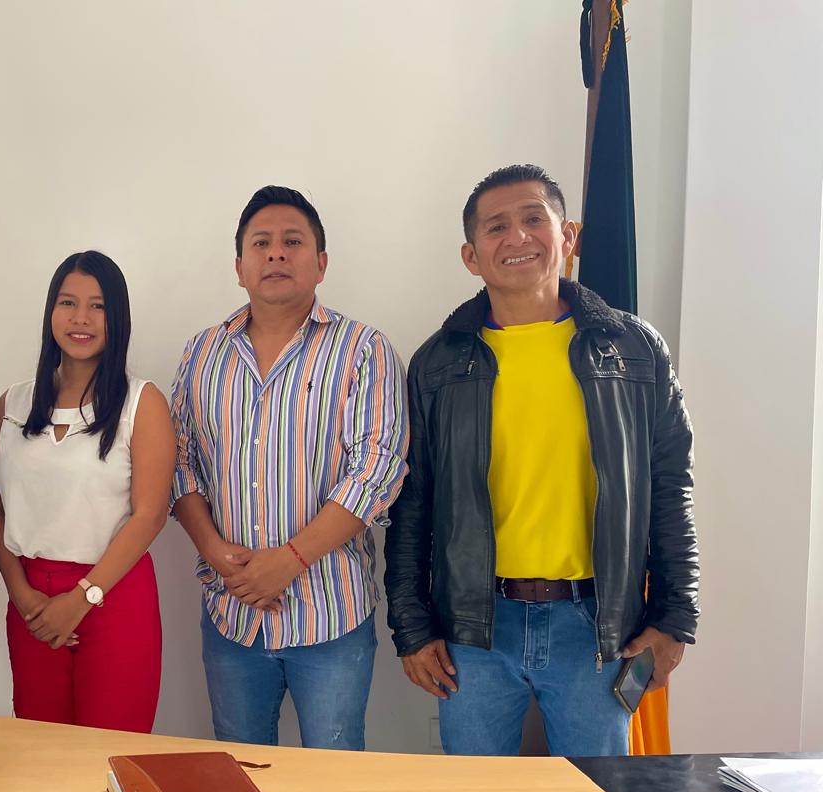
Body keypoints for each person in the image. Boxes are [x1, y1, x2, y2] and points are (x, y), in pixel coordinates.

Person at [385, 164, 699, 757]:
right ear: (471, 256)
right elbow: (412, 505)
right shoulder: (438, 363)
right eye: (496, 227)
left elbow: (669, 488)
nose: (518, 237)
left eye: (534, 218)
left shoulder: (634, 351)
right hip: (473, 630)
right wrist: (413, 628)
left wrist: (675, 618)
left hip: (598, 627)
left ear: (568, 236)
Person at [171, 186, 408, 750]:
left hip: (329, 611)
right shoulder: (202, 353)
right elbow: (179, 463)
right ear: (239, 267)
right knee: (240, 766)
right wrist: (212, 549)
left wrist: (289, 560)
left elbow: (377, 469)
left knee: (333, 769)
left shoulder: (363, 349)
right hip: (231, 612)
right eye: (261, 243)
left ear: (321, 263)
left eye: (292, 241)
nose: (276, 253)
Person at [0, 250, 173, 732]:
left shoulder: (142, 402)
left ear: (117, 317)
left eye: (98, 306)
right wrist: (20, 593)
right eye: (68, 303)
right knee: (39, 747)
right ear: (51, 311)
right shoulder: (13, 403)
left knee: (110, 750)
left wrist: (82, 597)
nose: (81, 318)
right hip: (31, 600)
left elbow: (149, 515)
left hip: (114, 592)